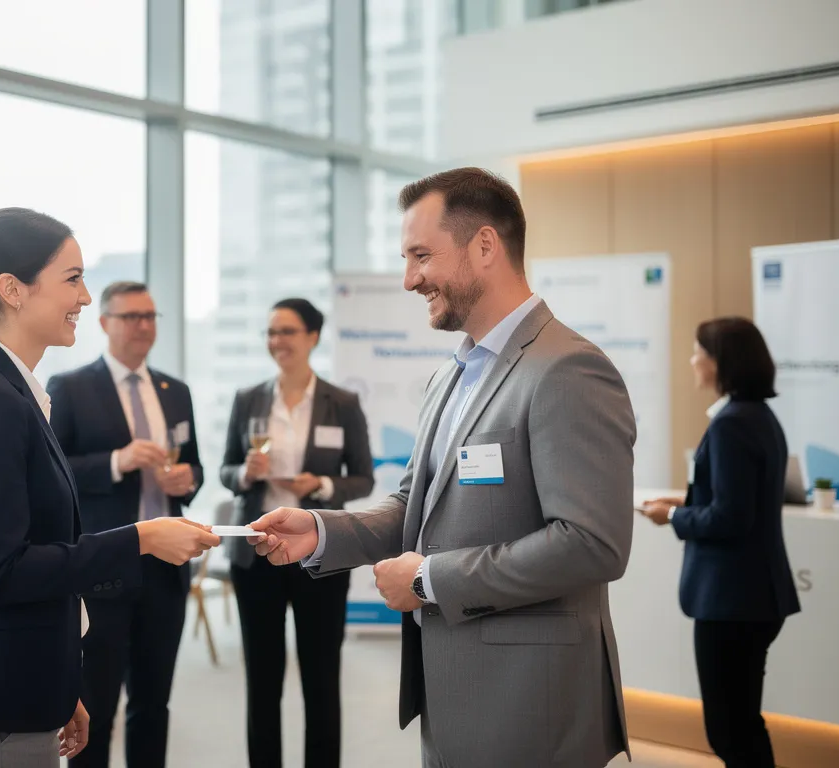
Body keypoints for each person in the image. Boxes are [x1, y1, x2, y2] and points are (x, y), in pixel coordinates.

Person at [250, 167, 636, 768]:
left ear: (485, 246)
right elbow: (415, 506)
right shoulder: (451, 374)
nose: (409, 279)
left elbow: (591, 545)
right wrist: (323, 531)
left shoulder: (568, 369)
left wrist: (431, 579)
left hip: (531, 702)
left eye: (420, 256)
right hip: (454, 693)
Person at [0, 207, 221, 768]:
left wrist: (58, 680)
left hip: (16, 679)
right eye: (73, 279)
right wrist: (140, 538)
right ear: (13, 290)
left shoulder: (7, 392)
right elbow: (5, 571)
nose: (86, 298)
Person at [46, 281, 204, 768]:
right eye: (131, 316)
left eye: (151, 316)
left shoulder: (175, 392)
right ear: (104, 323)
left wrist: (185, 480)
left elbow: (194, 466)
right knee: (96, 708)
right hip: (104, 567)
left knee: (153, 705)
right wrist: (118, 460)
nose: (143, 326)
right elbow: (54, 472)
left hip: (166, 569)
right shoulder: (70, 387)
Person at [218, 298, 374, 768]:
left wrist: (321, 484)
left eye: (287, 331)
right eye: (271, 332)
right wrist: (245, 473)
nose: (277, 341)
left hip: (321, 555)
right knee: (262, 682)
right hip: (258, 556)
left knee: (321, 678)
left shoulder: (341, 403)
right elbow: (225, 472)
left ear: (312, 337)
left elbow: (362, 477)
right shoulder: (249, 399)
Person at [640, 317, 800, 768]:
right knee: (743, 725)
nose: (692, 361)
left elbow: (731, 517)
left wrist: (671, 515)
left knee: (730, 732)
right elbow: (737, 500)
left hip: (732, 602)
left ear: (719, 362)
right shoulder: (759, 417)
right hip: (754, 598)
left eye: (698, 353)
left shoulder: (731, 423)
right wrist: (688, 500)